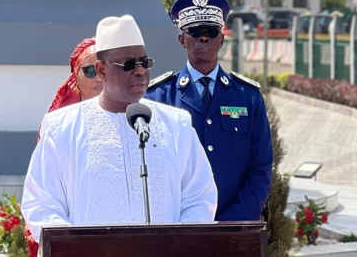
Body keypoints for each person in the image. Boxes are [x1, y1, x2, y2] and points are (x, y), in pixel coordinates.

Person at [21, 14, 217, 241]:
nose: (140, 71)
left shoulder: (176, 125)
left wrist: (178, 245)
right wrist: (76, 247)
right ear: (102, 70)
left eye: (145, 63)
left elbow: (200, 198)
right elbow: (42, 205)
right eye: (129, 64)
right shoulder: (62, 128)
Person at [146, 0, 273, 222]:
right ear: (182, 40)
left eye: (211, 32)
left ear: (222, 39)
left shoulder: (248, 96)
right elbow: (150, 168)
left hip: (234, 225)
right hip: (177, 226)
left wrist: (233, 221)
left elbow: (261, 168)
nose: (203, 38)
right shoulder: (158, 97)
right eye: (195, 31)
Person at [24, 37, 103, 257]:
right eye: (89, 71)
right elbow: (42, 194)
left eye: (104, 69)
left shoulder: (135, 120)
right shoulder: (59, 127)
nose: (99, 78)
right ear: (75, 77)